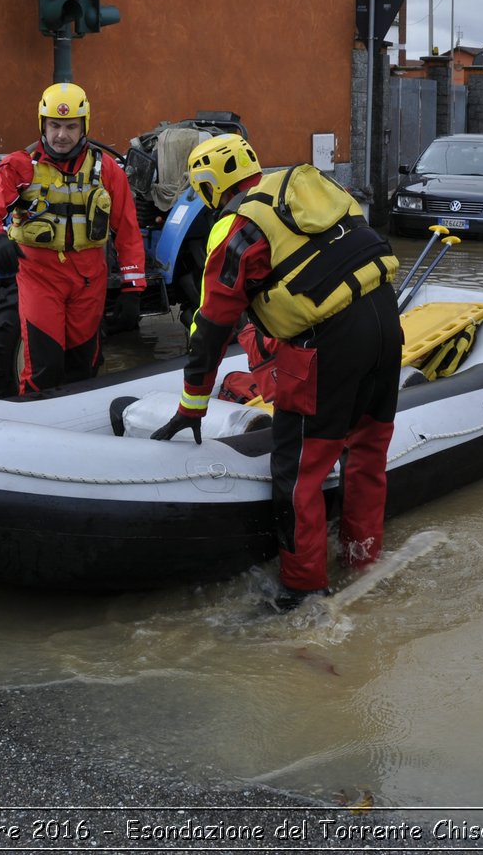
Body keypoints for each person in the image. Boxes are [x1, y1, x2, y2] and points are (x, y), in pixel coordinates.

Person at [149, 135, 402, 610]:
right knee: (366, 454)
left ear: (208, 186)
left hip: (329, 346)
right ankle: (363, 559)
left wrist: (192, 405)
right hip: (386, 323)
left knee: (299, 471)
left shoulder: (236, 227)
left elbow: (210, 326)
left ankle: (303, 591)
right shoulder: (309, 187)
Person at [0, 83, 146, 394]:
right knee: (45, 368)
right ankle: (35, 430)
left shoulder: (107, 170)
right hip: (40, 276)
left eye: (70, 126)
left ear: (84, 127)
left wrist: (133, 290)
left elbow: (128, 232)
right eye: (54, 125)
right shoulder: (19, 166)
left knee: (83, 368)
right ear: (43, 125)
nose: (61, 135)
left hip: (89, 279)